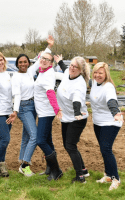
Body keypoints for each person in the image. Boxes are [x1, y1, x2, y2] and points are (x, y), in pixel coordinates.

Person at [11, 37, 54, 177]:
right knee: (35, 137)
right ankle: (25, 166)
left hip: (33, 106)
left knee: (26, 137)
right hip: (24, 108)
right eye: (20, 62)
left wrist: (49, 46)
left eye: (25, 62)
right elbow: (17, 95)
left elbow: (41, 59)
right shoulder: (16, 77)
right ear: (17, 64)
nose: (23, 64)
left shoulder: (30, 72)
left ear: (28, 62)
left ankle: (22, 161)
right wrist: (15, 111)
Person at [54, 55, 90, 183]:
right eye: (72, 65)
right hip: (67, 117)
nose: (72, 68)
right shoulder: (67, 73)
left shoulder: (79, 84)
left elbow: (76, 100)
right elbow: (65, 69)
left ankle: (80, 177)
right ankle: (84, 170)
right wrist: (59, 61)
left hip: (77, 118)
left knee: (70, 145)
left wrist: (76, 112)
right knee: (68, 145)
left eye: (76, 67)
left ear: (81, 70)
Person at [90, 62, 123, 190]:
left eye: (100, 73)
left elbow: (111, 101)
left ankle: (116, 179)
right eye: (96, 72)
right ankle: (108, 175)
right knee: (104, 149)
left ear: (106, 74)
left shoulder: (108, 87)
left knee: (106, 149)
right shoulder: (93, 82)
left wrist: (116, 113)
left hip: (111, 122)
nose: (97, 75)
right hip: (98, 122)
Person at [34, 37, 63, 181]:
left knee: (40, 140)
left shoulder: (48, 75)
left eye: (47, 59)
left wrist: (57, 109)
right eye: (42, 58)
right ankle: (51, 168)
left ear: (51, 63)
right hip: (43, 111)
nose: (44, 60)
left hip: (46, 113)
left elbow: (50, 92)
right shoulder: (42, 71)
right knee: (48, 140)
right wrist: (49, 47)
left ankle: (56, 170)